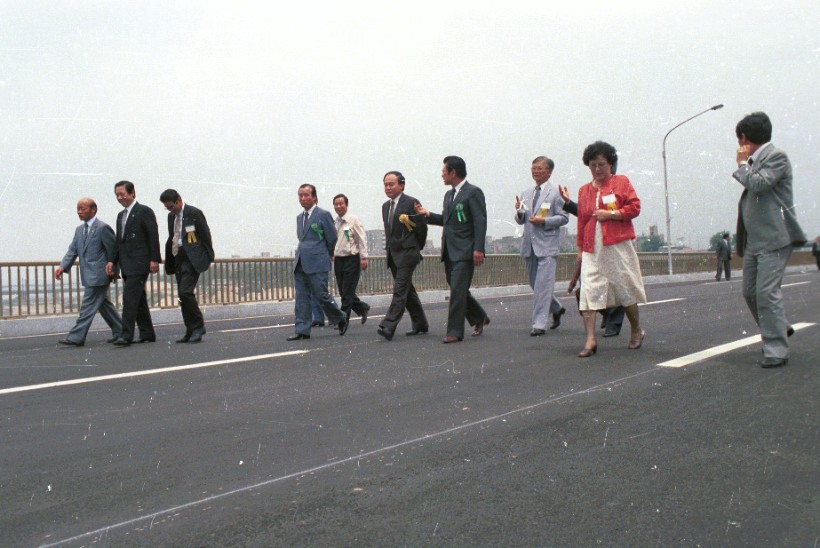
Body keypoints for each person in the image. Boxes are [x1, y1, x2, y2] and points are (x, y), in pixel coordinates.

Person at [733, 111, 806, 368]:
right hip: (755, 240)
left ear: (744, 137)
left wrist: (742, 164)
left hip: (775, 238)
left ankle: (776, 350)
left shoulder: (776, 157)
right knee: (750, 292)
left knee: (765, 293)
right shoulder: (758, 160)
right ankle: (779, 327)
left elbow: (759, 184)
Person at [575, 141, 646, 357]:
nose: (597, 169)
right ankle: (590, 339)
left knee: (624, 288)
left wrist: (611, 215)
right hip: (591, 248)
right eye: (593, 165)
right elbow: (581, 221)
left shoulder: (622, 182)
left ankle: (635, 329)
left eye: (602, 165)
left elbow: (634, 208)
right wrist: (580, 249)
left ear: (611, 164)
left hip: (617, 246)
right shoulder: (584, 190)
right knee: (588, 290)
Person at [415, 156, 490, 343]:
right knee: (459, 289)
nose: (442, 175)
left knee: (457, 291)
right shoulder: (449, 195)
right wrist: (428, 215)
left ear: (453, 172)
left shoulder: (473, 192)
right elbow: (446, 221)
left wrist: (478, 249)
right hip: (449, 251)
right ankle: (479, 316)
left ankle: (454, 332)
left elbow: (480, 222)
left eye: (443, 171)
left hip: (465, 251)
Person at [55, 198, 123, 346]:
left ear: (93, 210)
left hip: (100, 274)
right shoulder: (79, 230)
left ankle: (76, 337)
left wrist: (114, 270)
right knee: (103, 304)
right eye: (78, 209)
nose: (79, 211)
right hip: (88, 275)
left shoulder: (103, 228)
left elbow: (113, 251)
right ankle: (121, 330)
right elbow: (72, 250)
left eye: (83, 209)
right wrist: (63, 266)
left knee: (87, 305)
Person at [561, 184, 625, 337]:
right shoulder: (590, 191)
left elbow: (619, 213)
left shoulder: (614, 190)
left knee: (613, 285)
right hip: (592, 244)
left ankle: (613, 323)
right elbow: (586, 215)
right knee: (587, 288)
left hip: (611, 243)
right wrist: (569, 203)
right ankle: (605, 314)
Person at [514, 156, 568, 336]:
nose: (535, 171)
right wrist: (519, 213)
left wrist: (543, 221)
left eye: (539, 168)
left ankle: (539, 324)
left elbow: (564, 218)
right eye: (533, 168)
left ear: (549, 171)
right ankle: (557, 307)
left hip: (547, 246)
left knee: (543, 286)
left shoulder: (555, 193)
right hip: (529, 245)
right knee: (534, 283)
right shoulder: (526, 193)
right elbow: (521, 219)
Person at [287, 184, 348, 340]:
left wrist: (324, 254)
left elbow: (332, 238)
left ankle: (340, 317)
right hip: (301, 262)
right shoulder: (299, 218)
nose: (303, 198)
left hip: (318, 261)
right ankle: (302, 330)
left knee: (321, 295)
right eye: (300, 195)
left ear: (314, 197)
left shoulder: (323, 214)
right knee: (301, 298)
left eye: (306, 195)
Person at [105, 181, 161, 346]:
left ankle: (126, 335)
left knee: (129, 299)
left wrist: (154, 259)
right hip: (126, 264)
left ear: (132, 193)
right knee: (139, 300)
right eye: (117, 195)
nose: (120, 198)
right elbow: (118, 242)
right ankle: (147, 333)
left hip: (139, 262)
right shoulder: (120, 216)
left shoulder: (144, 211)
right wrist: (112, 261)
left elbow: (153, 236)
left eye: (122, 194)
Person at [377, 171, 429, 341]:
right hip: (393, 255)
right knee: (408, 291)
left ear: (402, 185)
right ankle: (420, 324)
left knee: (399, 290)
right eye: (385, 184)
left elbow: (422, 228)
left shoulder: (411, 202)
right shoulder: (386, 206)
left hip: (408, 253)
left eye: (391, 184)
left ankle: (388, 325)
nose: (388, 187)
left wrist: (415, 248)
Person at [159, 189, 215, 343]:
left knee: (185, 292)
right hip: (178, 257)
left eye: (171, 206)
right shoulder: (171, 217)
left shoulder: (194, 213)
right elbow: (173, 236)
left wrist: (209, 256)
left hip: (192, 258)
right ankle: (190, 330)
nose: (170, 210)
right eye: (167, 208)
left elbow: (205, 234)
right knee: (182, 296)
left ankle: (198, 326)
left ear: (179, 201)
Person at [332, 193, 371, 325]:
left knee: (347, 292)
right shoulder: (335, 221)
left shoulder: (353, 220)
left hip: (352, 259)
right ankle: (362, 307)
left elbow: (362, 239)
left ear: (346, 205)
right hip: (338, 260)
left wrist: (364, 257)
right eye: (336, 204)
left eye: (341, 204)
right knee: (344, 291)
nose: (338, 206)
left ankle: (343, 321)